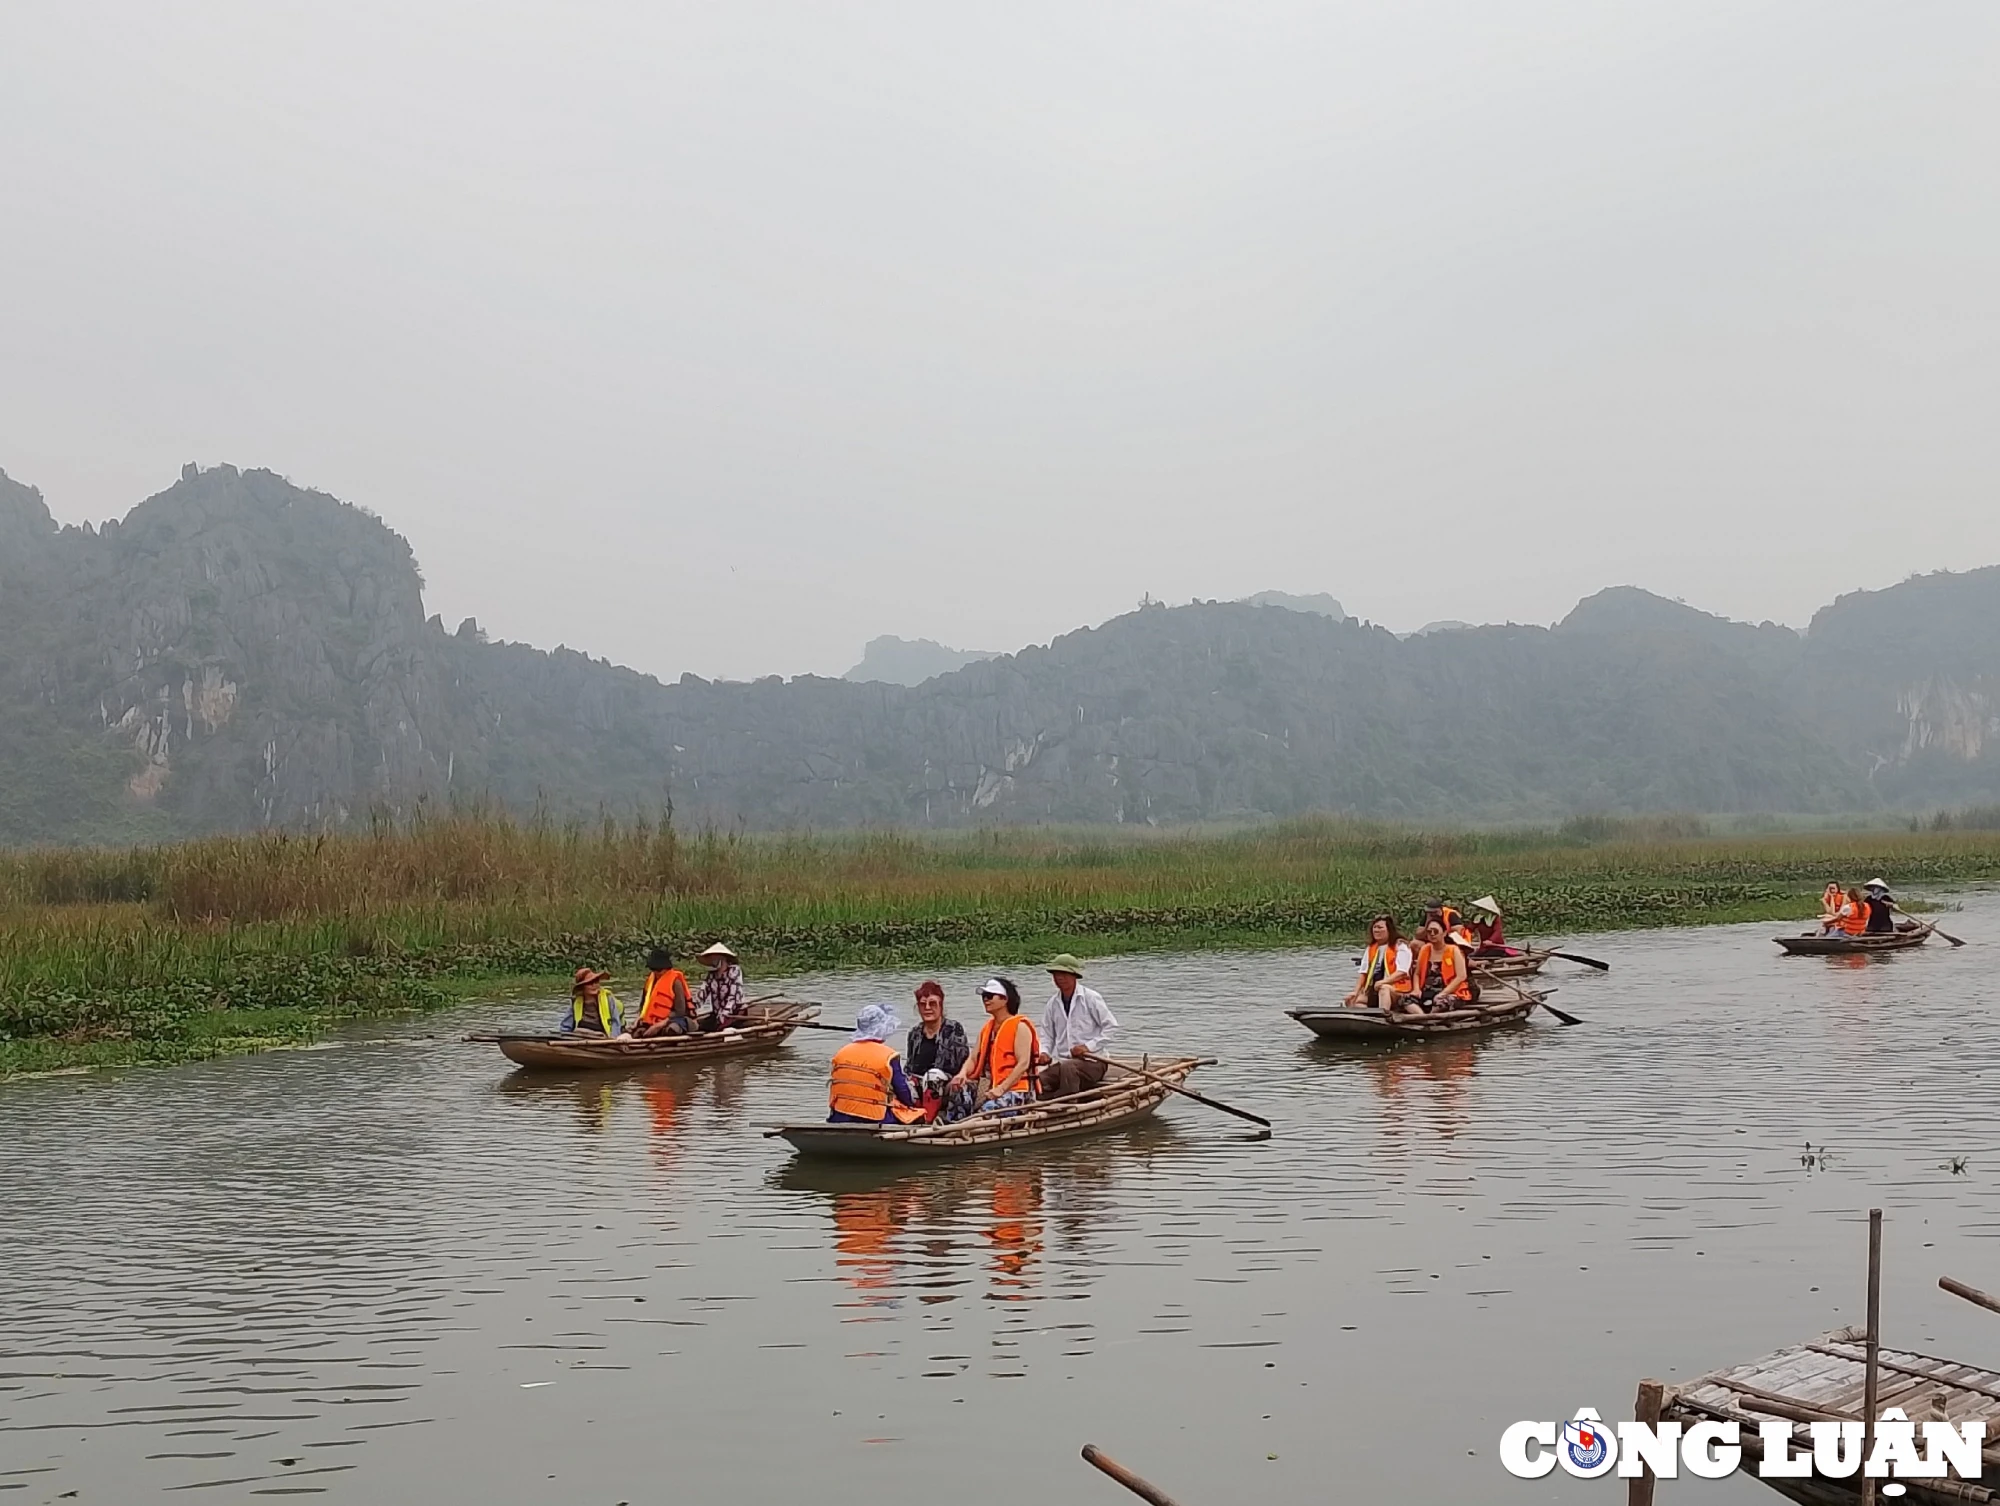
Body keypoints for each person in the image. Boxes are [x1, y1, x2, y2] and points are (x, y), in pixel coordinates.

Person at [952, 978, 1040, 1113]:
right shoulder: (987, 1028)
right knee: (960, 1092)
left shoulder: (1020, 1027)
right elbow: (973, 1058)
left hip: (1017, 1091)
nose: (985, 1000)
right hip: (991, 1087)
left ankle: (973, 1127)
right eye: (983, 996)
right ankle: (954, 1125)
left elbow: (1023, 1063)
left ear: (1005, 999)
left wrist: (1001, 1089)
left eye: (989, 996)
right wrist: (962, 1073)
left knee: (988, 1110)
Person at [1037, 953, 1117, 1099]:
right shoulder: (1052, 1004)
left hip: (1093, 1062)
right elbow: (1047, 1035)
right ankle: (1051, 1099)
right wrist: (1044, 1053)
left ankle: (1069, 1102)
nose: (1059, 978)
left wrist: (1088, 1047)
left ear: (1074, 975)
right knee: (1039, 1080)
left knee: (1069, 1068)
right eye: (1056, 974)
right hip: (1063, 1063)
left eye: (1064, 974)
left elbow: (1110, 1027)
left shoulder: (1090, 998)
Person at [827, 1003, 922, 1124]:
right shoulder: (888, 1056)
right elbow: (903, 1091)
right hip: (875, 1118)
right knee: (916, 1115)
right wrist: (911, 1104)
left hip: (839, 1116)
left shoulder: (841, 1053)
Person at [905, 980, 974, 1121]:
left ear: (941, 1006)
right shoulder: (915, 1033)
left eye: (932, 1004)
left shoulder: (954, 1029)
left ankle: (928, 1121)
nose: (927, 1008)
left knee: (933, 1076)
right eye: (923, 1005)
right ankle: (912, 1117)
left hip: (947, 1082)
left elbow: (961, 1064)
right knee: (902, 1082)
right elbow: (910, 1066)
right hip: (920, 1083)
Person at [1345, 915, 1413, 1010]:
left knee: (1384, 989)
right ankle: (1369, 1017)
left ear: (1389, 930)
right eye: (1375, 927)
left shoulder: (1400, 946)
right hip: (1374, 990)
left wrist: (1383, 982)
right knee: (1352, 1001)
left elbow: (1402, 972)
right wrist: (1355, 992)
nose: (1376, 930)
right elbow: (1363, 973)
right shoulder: (1371, 948)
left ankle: (1383, 1016)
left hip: (1397, 990)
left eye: (1380, 927)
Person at [1409, 922, 1477, 1011]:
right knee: (1406, 999)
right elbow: (1417, 973)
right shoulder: (1425, 949)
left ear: (1444, 933)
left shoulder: (1454, 950)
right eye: (1429, 932)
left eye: (1435, 931)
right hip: (1427, 991)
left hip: (1451, 991)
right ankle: (1421, 1017)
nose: (1432, 934)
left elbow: (1461, 976)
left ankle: (1431, 1017)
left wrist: (1444, 993)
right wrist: (1416, 990)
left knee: (1439, 1002)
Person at [632, 947, 696, 1037]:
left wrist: (661, 1024)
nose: (656, 972)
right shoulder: (650, 981)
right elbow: (643, 1006)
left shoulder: (675, 982)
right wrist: (638, 1019)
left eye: (659, 970)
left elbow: (680, 1011)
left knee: (672, 1029)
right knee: (636, 1032)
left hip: (674, 1019)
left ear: (666, 968)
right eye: (653, 969)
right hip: (651, 1020)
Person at [561, 966, 627, 1037]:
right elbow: (566, 1027)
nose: (594, 985)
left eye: (596, 982)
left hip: (603, 1037)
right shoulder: (576, 1002)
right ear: (582, 987)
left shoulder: (608, 998)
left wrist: (613, 1038)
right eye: (590, 983)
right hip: (582, 1037)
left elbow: (615, 1022)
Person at [694, 942, 746, 1030]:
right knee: (700, 1027)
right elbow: (701, 995)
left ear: (722, 959)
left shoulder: (734, 972)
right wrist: (691, 1009)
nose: (712, 961)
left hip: (734, 1012)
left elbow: (732, 997)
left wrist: (723, 1015)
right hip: (717, 1013)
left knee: (720, 1028)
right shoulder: (711, 975)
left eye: (714, 958)